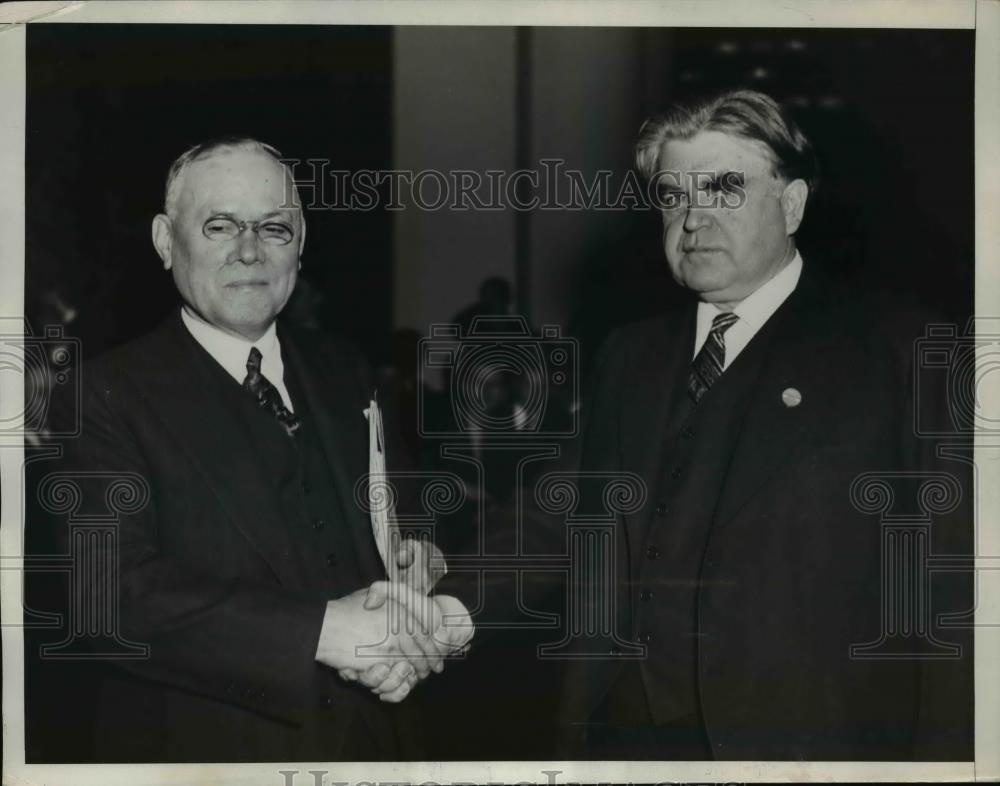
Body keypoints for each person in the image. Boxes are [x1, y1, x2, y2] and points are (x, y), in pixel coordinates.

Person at [555, 89, 972, 760]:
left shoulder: (902, 348)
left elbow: (957, 592)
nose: (692, 220)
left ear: (793, 203)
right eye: (672, 196)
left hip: (806, 746)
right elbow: (567, 507)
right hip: (623, 736)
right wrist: (445, 588)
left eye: (724, 188)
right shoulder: (628, 354)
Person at [47, 137, 471, 762]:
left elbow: (400, 502)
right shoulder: (101, 394)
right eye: (219, 225)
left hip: (383, 738)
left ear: (300, 243)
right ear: (167, 242)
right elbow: (108, 595)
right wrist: (324, 633)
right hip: (212, 752)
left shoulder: (343, 368)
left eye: (273, 228)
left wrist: (417, 556)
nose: (249, 251)